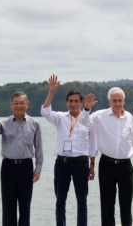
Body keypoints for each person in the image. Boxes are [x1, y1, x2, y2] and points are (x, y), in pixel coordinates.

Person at [42, 74, 96, 226]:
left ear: (81, 103)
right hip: (62, 163)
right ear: (67, 103)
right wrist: (51, 92)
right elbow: (45, 112)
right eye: (70, 101)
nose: (73, 104)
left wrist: (92, 165)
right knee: (60, 201)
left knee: (82, 201)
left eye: (76, 101)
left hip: (81, 164)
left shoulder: (88, 120)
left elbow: (93, 145)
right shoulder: (60, 118)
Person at [0, 92, 44, 226]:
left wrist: (38, 168)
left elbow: (39, 148)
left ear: (27, 105)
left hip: (26, 167)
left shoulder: (35, 123)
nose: (19, 105)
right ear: (11, 105)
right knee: (8, 206)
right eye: (16, 103)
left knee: (25, 207)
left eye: (22, 103)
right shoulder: (4, 123)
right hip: (8, 167)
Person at [81, 87, 133, 226]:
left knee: (126, 204)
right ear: (109, 101)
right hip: (107, 164)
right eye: (114, 100)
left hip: (125, 165)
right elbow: (84, 122)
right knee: (107, 204)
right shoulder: (100, 116)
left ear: (124, 101)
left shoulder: (129, 116)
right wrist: (87, 108)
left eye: (120, 100)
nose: (117, 103)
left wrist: (130, 151)